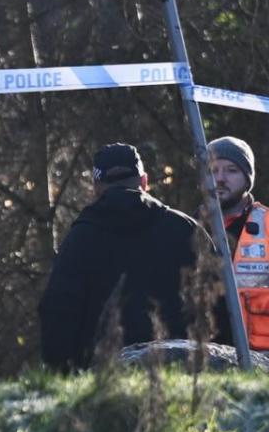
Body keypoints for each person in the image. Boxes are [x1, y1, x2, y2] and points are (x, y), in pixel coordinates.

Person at [39, 143, 214, 371]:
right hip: (182, 373)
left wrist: (61, 372)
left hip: (103, 377)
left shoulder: (79, 239)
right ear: (144, 181)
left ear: (96, 187)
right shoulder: (185, 229)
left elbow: (57, 310)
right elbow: (218, 300)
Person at [207, 136, 269, 355]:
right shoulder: (187, 227)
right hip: (200, 366)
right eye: (213, 170)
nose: (220, 179)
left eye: (231, 170)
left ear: (248, 177)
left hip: (266, 370)